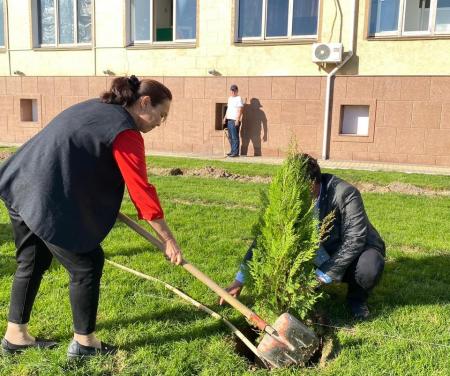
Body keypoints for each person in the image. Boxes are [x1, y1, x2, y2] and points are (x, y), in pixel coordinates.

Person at [0, 75, 183, 358]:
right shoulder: (125, 131)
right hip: (44, 193)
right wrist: (169, 240)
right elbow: (141, 191)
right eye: (162, 115)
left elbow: (78, 153)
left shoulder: (97, 107)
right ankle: (85, 344)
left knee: (32, 259)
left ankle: (16, 336)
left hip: (21, 180)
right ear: (144, 103)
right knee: (87, 263)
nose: (161, 122)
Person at [220, 154, 386, 320]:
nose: (294, 192)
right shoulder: (292, 199)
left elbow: (354, 240)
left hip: (359, 250)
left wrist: (320, 277)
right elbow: (266, 238)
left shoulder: (345, 194)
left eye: (299, 186)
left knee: (369, 266)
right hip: (321, 251)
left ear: (313, 183)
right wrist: (239, 281)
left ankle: (356, 299)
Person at [223, 84, 244, 157]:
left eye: (234, 90)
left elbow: (241, 109)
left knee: (235, 136)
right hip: (229, 119)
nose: (233, 92)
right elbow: (228, 108)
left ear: (237, 91)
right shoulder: (230, 98)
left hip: (235, 120)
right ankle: (232, 151)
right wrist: (225, 117)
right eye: (232, 90)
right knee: (230, 136)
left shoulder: (239, 98)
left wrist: (238, 119)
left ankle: (235, 153)